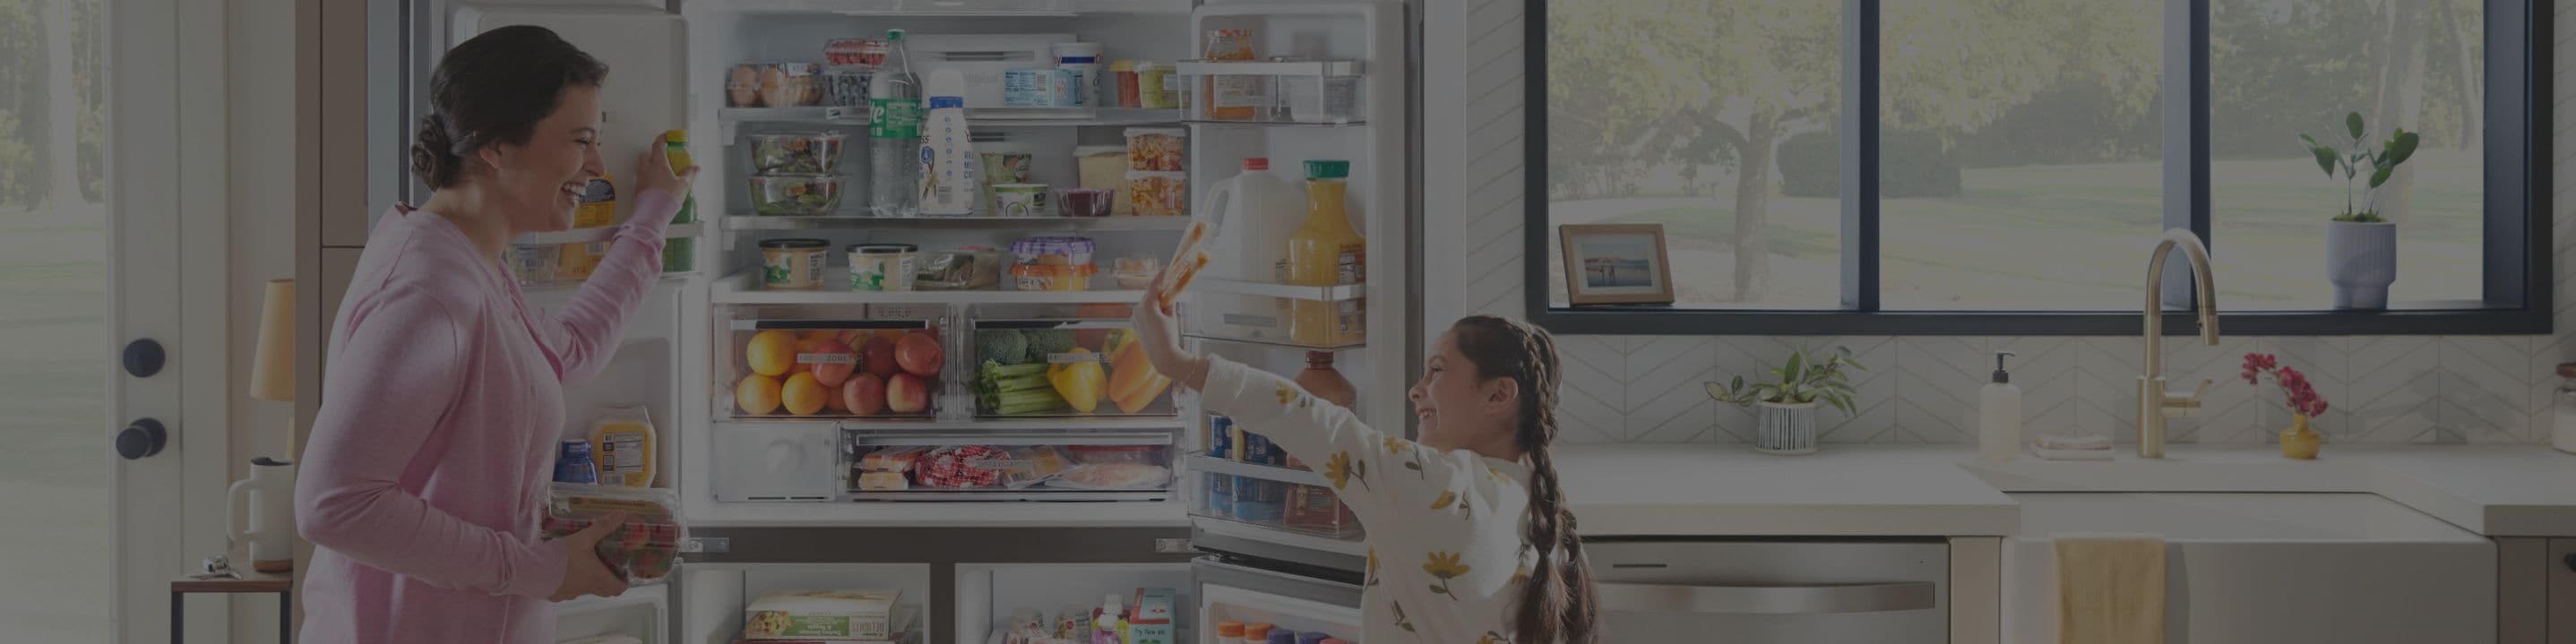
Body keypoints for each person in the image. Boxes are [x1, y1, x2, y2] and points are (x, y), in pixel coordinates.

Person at [294, 25, 695, 643]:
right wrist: (540, 567)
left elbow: (569, 350)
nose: (594, 165)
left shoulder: (471, 263)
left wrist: (652, 217)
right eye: (581, 141)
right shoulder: (427, 292)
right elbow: (336, 503)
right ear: (497, 146)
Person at [1132, 296, 1601, 644]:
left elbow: (1309, 419)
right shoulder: (1536, 503)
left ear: (1498, 395)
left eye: (1436, 371)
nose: (1416, 390)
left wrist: (1175, 362)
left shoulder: (1437, 485)